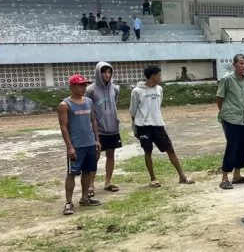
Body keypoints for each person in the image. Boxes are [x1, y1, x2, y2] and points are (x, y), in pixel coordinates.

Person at [130, 65, 195, 187]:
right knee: (148, 151)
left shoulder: (159, 89)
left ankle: (182, 176)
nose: (160, 77)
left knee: (170, 149)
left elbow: (158, 106)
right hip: (143, 126)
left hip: (158, 125)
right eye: (159, 75)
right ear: (152, 76)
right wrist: (135, 128)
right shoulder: (137, 91)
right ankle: (153, 179)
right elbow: (133, 111)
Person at [58, 74, 102, 215]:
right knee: (72, 173)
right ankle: (68, 202)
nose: (84, 87)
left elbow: (93, 121)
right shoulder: (65, 105)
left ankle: (84, 198)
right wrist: (69, 146)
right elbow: (64, 127)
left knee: (88, 171)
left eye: (85, 84)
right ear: (72, 87)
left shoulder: (88, 101)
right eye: (80, 85)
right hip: (76, 145)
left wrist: (97, 140)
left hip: (90, 143)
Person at [216, 54, 244, 189]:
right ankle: (224, 177)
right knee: (232, 147)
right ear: (234, 65)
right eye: (241, 63)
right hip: (231, 118)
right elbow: (219, 98)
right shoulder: (227, 79)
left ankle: (237, 175)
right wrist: (225, 113)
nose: (243, 66)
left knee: (243, 147)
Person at [85, 62, 122, 195]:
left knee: (111, 155)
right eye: (104, 72)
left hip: (112, 128)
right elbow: (87, 108)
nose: (107, 75)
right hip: (98, 130)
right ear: (98, 73)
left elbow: (114, 103)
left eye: (109, 72)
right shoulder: (91, 90)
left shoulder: (115, 89)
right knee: (95, 156)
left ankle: (108, 182)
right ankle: (90, 185)